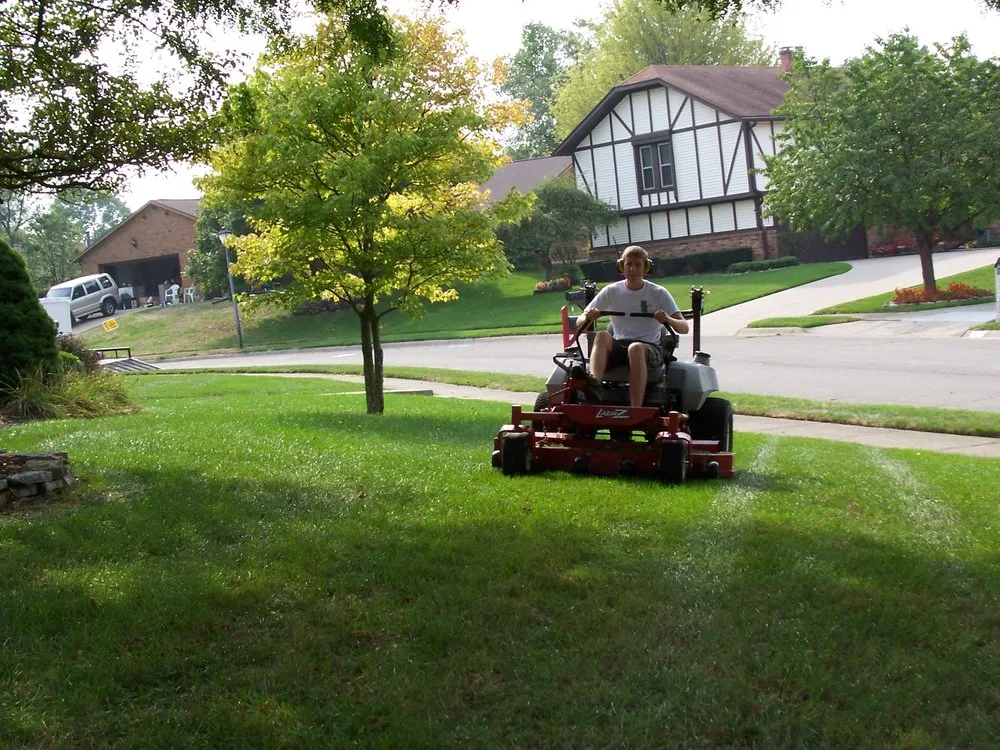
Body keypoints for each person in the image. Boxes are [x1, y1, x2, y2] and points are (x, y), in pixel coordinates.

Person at [576, 244, 689, 407]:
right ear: (622, 266)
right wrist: (588, 316)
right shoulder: (611, 291)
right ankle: (593, 389)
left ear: (646, 267)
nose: (633, 269)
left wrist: (668, 319)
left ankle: (635, 408)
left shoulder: (658, 293)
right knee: (601, 336)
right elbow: (580, 321)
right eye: (629, 264)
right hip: (620, 347)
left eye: (638, 265)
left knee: (635, 348)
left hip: (650, 349)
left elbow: (684, 327)